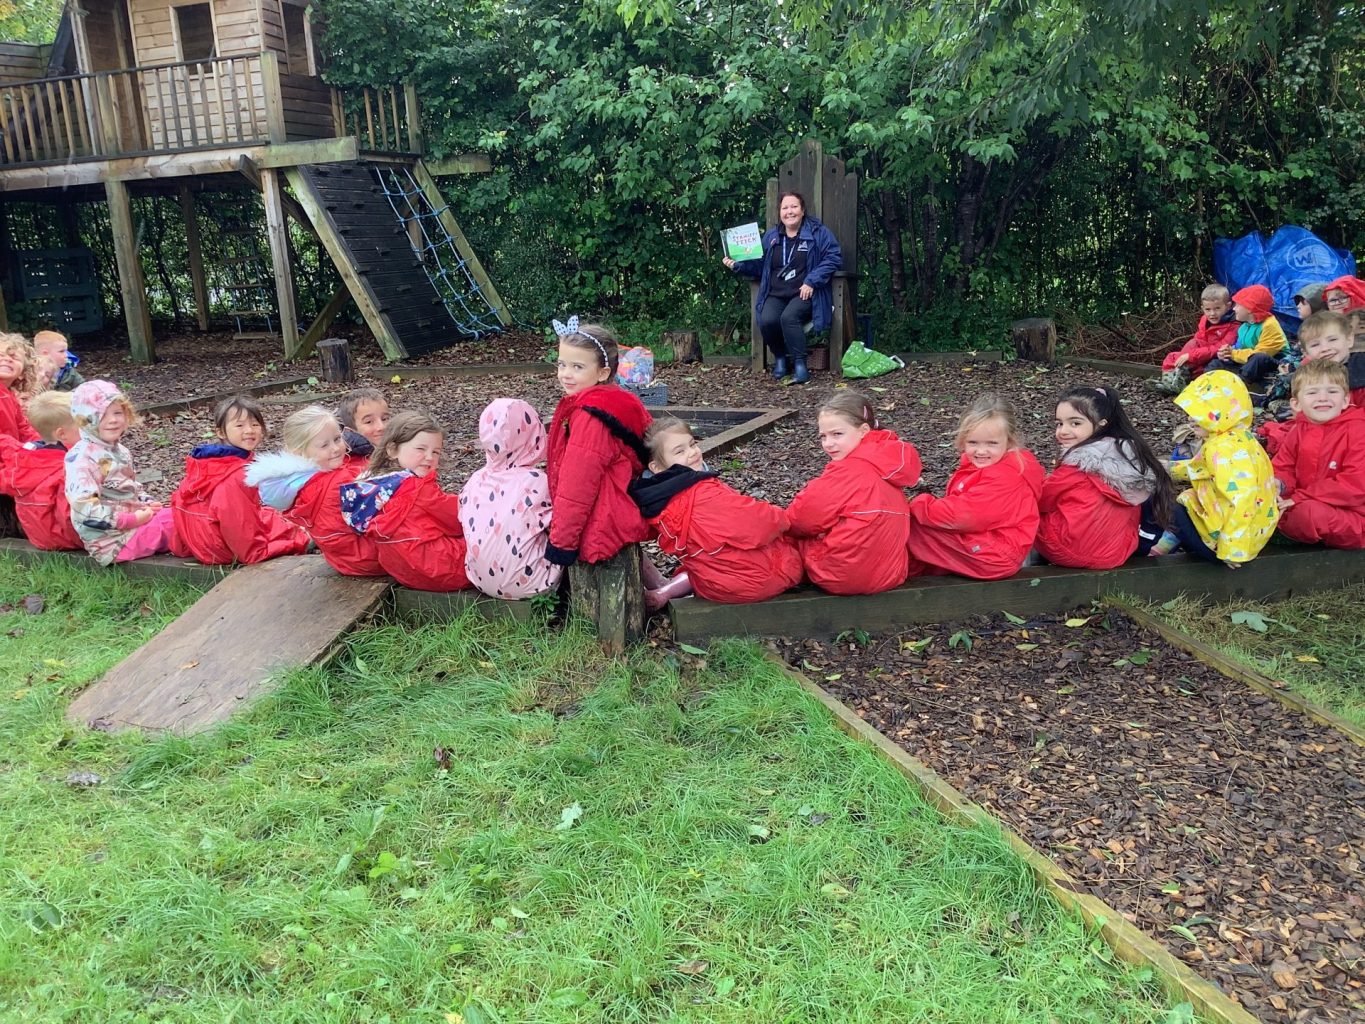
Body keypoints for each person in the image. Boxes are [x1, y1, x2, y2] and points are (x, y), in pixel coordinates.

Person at [629, 416, 802, 606]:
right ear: (656, 467)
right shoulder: (703, 495)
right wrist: (785, 519)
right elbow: (758, 524)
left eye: (692, 444)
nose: (692, 452)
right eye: (680, 451)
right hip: (754, 581)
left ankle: (666, 591)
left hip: (710, 582)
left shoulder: (661, 499)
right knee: (798, 550)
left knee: (702, 562)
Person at [786, 391, 922, 595]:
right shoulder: (887, 464)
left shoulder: (847, 470)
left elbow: (801, 519)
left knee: (783, 539)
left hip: (843, 575)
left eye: (837, 434)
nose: (828, 443)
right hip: (890, 573)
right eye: (823, 436)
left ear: (864, 430)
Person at [544, 318, 653, 572]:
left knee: (604, 573)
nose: (565, 373)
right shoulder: (615, 400)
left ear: (603, 373)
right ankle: (659, 585)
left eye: (577, 367)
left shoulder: (591, 417)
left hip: (601, 523)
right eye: (561, 364)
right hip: (618, 507)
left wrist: (561, 544)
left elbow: (577, 484)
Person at [906, 393, 1044, 580]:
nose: (981, 451)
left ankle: (900, 572)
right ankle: (914, 571)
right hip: (989, 545)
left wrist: (918, 505)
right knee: (917, 528)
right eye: (973, 442)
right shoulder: (983, 467)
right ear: (963, 440)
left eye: (991, 444)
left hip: (997, 555)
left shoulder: (1005, 476)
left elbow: (963, 516)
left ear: (1010, 442)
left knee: (909, 526)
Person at [1035, 386, 1174, 568]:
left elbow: (1041, 499)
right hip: (1116, 553)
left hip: (1068, 551)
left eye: (1075, 423)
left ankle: (1027, 562)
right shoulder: (1132, 458)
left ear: (1102, 424)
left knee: (1024, 508)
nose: (1063, 431)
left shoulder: (1078, 465)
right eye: (1059, 423)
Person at [1150, 370, 1279, 565]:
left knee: (1176, 508)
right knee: (1191, 498)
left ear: (1222, 414)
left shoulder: (1222, 448)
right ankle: (1168, 544)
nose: (1191, 420)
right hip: (1252, 533)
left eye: (1200, 414)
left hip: (1231, 546)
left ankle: (1160, 549)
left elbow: (1241, 498)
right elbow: (1203, 467)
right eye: (1192, 413)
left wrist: (1233, 551)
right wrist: (1169, 468)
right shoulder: (1237, 437)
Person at [168, 396, 309, 566]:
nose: (249, 430)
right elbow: (250, 550)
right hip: (220, 549)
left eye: (255, 424)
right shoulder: (236, 475)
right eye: (240, 425)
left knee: (272, 515)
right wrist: (300, 542)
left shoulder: (205, 462)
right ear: (221, 432)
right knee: (291, 527)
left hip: (199, 542)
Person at [245, 405, 384, 577]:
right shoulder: (339, 482)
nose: (335, 448)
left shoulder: (299, 483)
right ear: (300, 452)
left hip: (344, 559)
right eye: (324, 445)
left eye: (337, 439)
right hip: (372, 558)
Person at [339, 410, 470, 592]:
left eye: (435, 452)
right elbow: (459, 519)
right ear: (392, 450)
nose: (429, 457)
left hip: (402, 572)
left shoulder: (372, 486)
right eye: (421, 449)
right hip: (440, 568)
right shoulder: (416, 488)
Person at [722, 191, 843, 384]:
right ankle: (780, 357)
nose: (790, 211)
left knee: (789, 317)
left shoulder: (818, 232)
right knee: (766, 320)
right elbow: (760, 266)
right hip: (776, 293)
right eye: (785, 208)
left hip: (804, 292)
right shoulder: (772, 236)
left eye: (794, 206)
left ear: (802, 210)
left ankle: (800, 364)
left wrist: (812, 280)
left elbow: (833, 258)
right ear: (780, 212)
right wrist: (738, 265)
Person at [63, 380, 177, 565]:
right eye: (101, 415)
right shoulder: (82, 459)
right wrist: (131, 519)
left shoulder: (119, 450)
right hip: (113, 542)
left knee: (181, 513)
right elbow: (85, 511)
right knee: (179, 524)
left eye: (118, 412)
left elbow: (130, 487)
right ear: (84, 420)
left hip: (132, 525)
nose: (113, 420)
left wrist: (146, 501)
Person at [459, 398, 561, 600]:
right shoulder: (537, 482)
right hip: (534, 583)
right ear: (534, 436)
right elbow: (559, 525)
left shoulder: (475, 480)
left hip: (479, 580)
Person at [1271, 360, 1365, 549]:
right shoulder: (1298, 430)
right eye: (1312, 392)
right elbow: (1284, 466)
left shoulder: (1358, 430)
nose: (1323, 398)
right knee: (1261, 495)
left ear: (1345, 400)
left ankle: (1288, 532)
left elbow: (1355, 484)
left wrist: (1300, 497)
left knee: (1310, 514)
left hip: (1354, 515)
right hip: (1302, 501)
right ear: (1296, 403)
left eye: (1332, 391)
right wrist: (1278, 485)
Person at [1258, 311, 1365, 456]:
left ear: (1349, 339)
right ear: (1305, 352)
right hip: (1318, 427)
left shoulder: (1360, 368)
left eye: (1333, 340)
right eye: (1315, 344)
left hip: (1353, 434)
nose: (1325, 348)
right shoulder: (1311, 374)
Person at [0, 390, 83, 550]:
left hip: (38, 537)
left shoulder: (26, 458)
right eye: (82, 424)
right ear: (62, 433)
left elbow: (8, 447)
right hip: (67, 537)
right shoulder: (68, 464)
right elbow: (68, 512)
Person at [1200, 284, 1287, 395]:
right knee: (1217, 363)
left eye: (1238, 305)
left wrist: (1233, 354)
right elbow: (1239, 348)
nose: (1234, 308)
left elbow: (1260, 354)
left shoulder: (1269, 326)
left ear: (1250, 308)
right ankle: (1206, 387)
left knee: (1258, 358)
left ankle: (1236, 390)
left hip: (1275, 363)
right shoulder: (1244, 327)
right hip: (1249, 364)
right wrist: (1227, 352)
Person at [1154, 284, 1238, 394]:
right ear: (1203, 308)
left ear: (1228, 306)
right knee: (1173, 356)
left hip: (1215, 359)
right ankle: (1171, 381)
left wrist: (1191, 356)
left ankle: (1179, 382)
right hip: (1200, 356)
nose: (1212, 313)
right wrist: (1189, 354)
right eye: (1208, 309)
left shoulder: (1234, 326)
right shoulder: (1204, 320)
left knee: (1202, 367)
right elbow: (1199, 340)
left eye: (1217, 308)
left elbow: (1218, 348)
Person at [336, 387, 391, 474]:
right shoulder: (352, 469)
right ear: (350, 430)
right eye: (369, 422)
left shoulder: (403, 446)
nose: (381, 427)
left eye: (385, 419)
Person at [0, 333, 39, 443]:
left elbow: (24, 430)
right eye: (0, 355)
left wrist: (47, 443)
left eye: (14, 357)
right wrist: (20, 450)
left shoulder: (10, 397)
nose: (7, 359)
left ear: (22, 373)